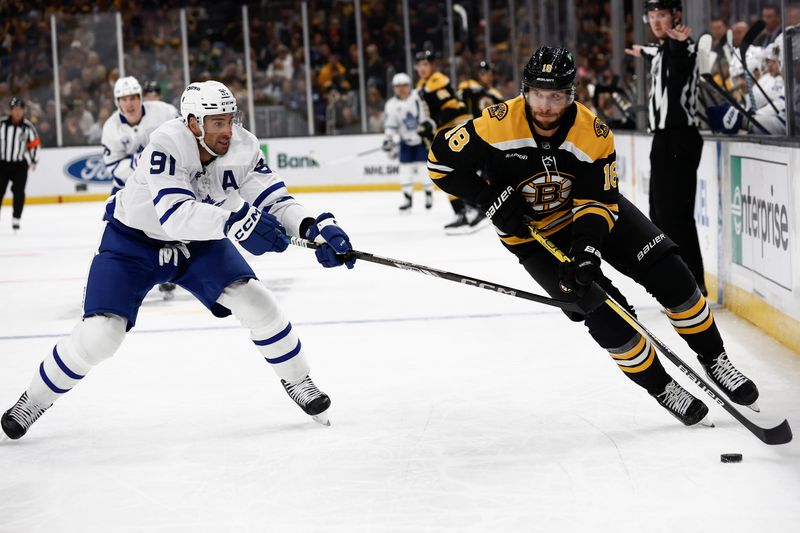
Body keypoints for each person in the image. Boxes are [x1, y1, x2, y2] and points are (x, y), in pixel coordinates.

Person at [1, 80, 356, 441]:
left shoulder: (244, 145)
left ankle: (299, 381)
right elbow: (176, 215)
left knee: (258, 302)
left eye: (230, 120)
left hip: (198, 242)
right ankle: (34, 400)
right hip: (132, 241)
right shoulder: (166, 142)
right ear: (192, 123)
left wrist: (313, 227)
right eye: (216, 122)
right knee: (101, 336)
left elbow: (276, 201)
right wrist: (235, 221)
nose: (227, 131)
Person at [427, 46, 761, 428]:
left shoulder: (593, 132)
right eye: (538, 94)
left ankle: (715, 359)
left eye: (556, 96)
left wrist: (585, 252)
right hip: (532, 238)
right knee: (605, 316)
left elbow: (597, 201)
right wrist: (489, 199)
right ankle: (663, 387)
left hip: (593, 216)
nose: (546, 105)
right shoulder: (495, 124)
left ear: (572, 94)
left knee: (672, 274)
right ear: (525, 91)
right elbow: (440, 162)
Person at [625, 0, 707, 296]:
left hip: (679, 137)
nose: (657, 22)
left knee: (674, 214)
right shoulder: (660, 50)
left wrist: (682, 43)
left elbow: (681, 55)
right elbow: (657, 52)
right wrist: (641, 51)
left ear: (676, 17)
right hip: (664, 139)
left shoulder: (679, 47)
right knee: (659, 214)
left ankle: (691, 282)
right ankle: (681, 279)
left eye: (663, 15)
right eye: (652, 16)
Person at [102, 76, 181, 300]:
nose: (129, 103)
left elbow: (185, 137)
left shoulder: (164, 112)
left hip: (165, 180)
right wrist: (142, 163)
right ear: (118, 102)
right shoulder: (111, 127)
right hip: (127, 189)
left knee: (168, 226)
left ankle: (168, 274)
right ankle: (118, 275)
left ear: (140, 98)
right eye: (124, 99)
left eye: (133, 97)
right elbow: (114, 168)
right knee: (117, 231)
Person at [414, 50, 487, 235]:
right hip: (443, 132)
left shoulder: (438, 81)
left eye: (426, 64)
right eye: (419, 65)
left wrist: (432, 123)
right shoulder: (423, 84)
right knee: (442, 172)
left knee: (456, 172)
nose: (422, 68)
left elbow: (455, 110)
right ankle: (461, 213)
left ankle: (480, 207)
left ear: (432, 65)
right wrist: (427, 128)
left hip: (456, 129)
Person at [382, 72, 434, 211]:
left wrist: (427, 125)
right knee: (405, 170)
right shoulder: (391, 105)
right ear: (394, 88)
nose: (401, 89)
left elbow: (428, 116)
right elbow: (390, 126)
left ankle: (429, 194)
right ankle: (407, 198)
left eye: (404, 85)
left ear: (409, 86)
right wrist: (389, 139)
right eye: (398, 86)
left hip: (421, 140)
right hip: (405, 141)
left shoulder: (418, 97)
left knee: (425, 169)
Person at [0, 97, 40, 233]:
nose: (17, 112)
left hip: (19, 165)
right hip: (2, 163)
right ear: (10, 111)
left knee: (19, 192)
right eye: (15, 109)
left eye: (20, 109)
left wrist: (34, 160)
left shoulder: (28, 127)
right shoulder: (1, 125)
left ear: (24, 111)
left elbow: (34, 144)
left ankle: (16, 219)